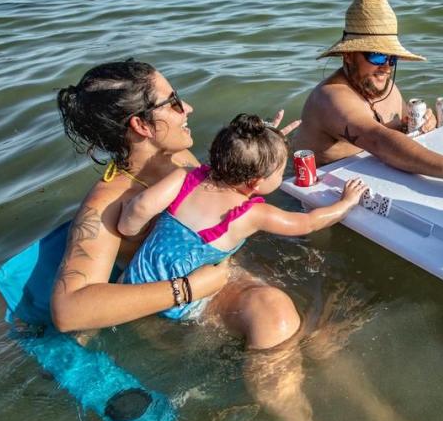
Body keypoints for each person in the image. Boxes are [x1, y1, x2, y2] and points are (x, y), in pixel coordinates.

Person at [53, 60, 395, 421]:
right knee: (276, 314)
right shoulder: (107, 201)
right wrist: (190, 286)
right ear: (140, 124)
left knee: (327, 328)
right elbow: (70, 310)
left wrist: (262, 152)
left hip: (225, 282)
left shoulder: (180, 162)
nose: (187, 106)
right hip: (180, 309)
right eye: (173, 102)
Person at [118, 113, 366, 326]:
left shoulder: (187, 177)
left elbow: (140, 207)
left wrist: (129, 230)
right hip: (179, 304)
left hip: (134, 282)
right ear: (257, 182)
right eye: (280, 171)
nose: (282, 173)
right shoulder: (251, 215)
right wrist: (345, 203)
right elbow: (309, 222)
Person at [293, 0, 443, 199]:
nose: (387, 68)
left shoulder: (384, 86)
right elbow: (380, 140)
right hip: (318, 193)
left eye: (392, 58)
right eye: (378, 56)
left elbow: (399, 134)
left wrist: (425, 122)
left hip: (368, 186)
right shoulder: (331, 97)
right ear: (349, 55)